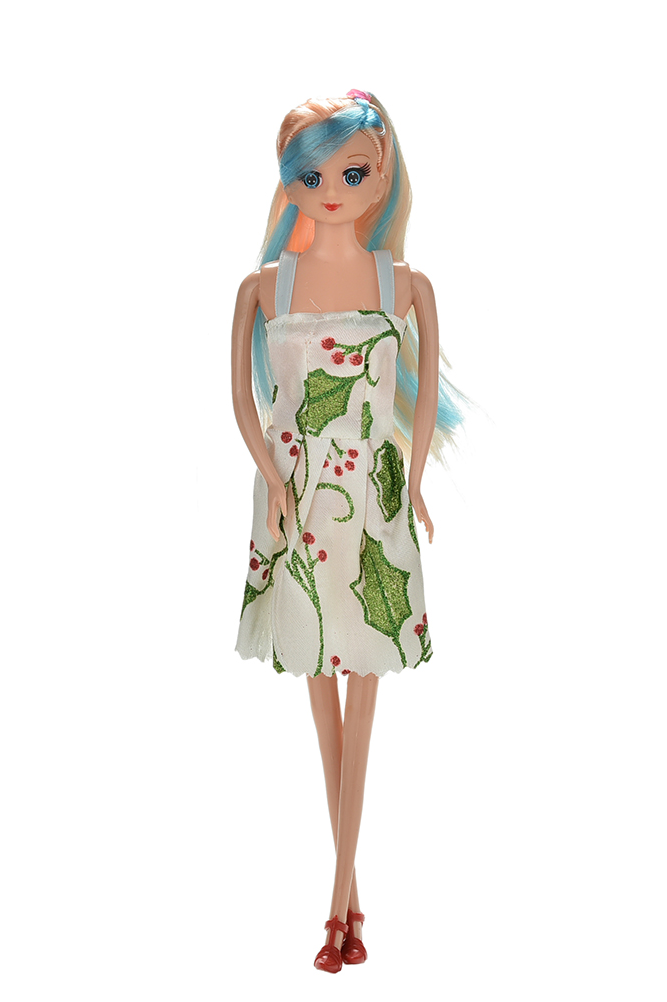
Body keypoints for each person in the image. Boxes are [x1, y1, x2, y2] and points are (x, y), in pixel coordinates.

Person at [230, 91, 462, 972]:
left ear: (382, 174)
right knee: (319, 691)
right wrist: (271, 479)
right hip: (296, 501)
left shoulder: (406, 287)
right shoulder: (266, 288)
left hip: (375, 499)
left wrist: (417, 483)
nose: (330, 189)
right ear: (288, 181)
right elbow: (244, 402)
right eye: (310, 174)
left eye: (351, 172)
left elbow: (420, 403)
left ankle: (339, 907)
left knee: (361, 693)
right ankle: (347, 899)